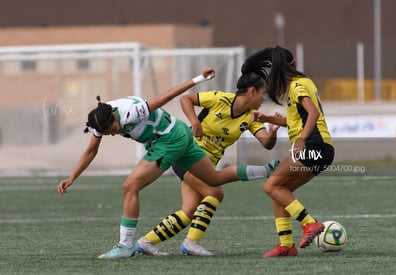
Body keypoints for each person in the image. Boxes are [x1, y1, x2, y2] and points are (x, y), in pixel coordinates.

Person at [57, 67, 277, 259]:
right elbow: (91, 150)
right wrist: (72, 177)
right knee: (214, 180)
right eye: (108, 133)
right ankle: (267, 170)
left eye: (113, 130)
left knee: (130, 186)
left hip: (170, 139)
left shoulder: (131, 112)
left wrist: (198, 79)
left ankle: (125, 246)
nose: (113, 134)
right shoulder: (98, 121)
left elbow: (167, 96)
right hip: (181, 135)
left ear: (115, 117)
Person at [135, 55, 280, 256]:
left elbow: (266, 143)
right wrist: (194, 121)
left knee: (189, 211)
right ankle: (191, 243)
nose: (264, 98)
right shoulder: (220, 99)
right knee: (215, 192)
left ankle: (145, 242)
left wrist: (273, 132)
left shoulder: (251, 118)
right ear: (251, 91)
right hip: (186, 154)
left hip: (205, 166)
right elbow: (186, 99)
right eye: (262, 92)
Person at [250, 46, 335, 257]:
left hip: (313, 146)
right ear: (294, 63)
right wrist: (268, 119)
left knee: (271, 185)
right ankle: (286, 245)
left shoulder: (297, 86)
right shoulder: (301, 84)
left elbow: (313, 113)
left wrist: (302, 139)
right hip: (322, 148)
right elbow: (297, 120)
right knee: (280, 191)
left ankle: (310, 224)